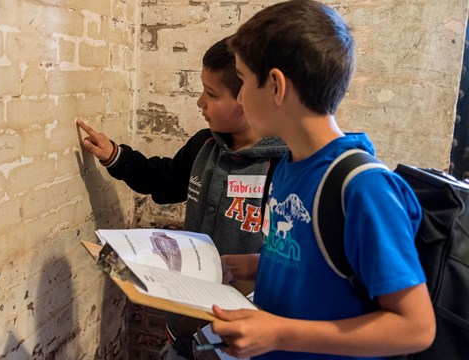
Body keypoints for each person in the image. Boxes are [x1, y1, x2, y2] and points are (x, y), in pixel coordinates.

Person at [210, 1, 436, 359]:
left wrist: (279, 333)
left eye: (242, 81)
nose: (239, 97)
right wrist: (246, 265)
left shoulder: (362, 188)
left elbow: (415, 327)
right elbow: (312, 264)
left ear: (275, 86)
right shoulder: (288, 165)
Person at [77, 37, 287, 359]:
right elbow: (165, 180)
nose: (200, 102)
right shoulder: (204, 145)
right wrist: (116, 157)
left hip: (236, 338)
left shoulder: (284, 168)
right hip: (182, 326)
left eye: (211, 94)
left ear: (248, 101)